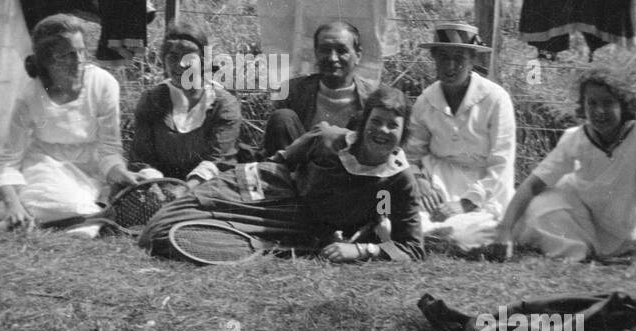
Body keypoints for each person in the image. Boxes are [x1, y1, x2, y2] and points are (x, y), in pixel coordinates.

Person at [140, 86, 425, 263]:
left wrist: (361, 251)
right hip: (270, 190)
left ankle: (222, 237)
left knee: (163, 238)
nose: (382, 131)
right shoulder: (328, 139)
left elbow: (412, 248)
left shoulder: (399, 180)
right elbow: (282, 160)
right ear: (363, 124)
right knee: (159, 227)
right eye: (376, 122)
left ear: (403, 135)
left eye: (392, 126)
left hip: (298, 226)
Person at [488, 68, 636, 267]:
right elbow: (532, 185)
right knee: (539, 208)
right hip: (577, 211)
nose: (599, 111)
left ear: (624, 104)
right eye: (592, 103)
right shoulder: (576, 138)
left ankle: (592, 252)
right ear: (583, 105)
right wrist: (505, 229)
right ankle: (578, 251)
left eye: (608, 103)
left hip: (621, 229)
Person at [0, 14, 147, 233]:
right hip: (45, 169)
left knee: (150, 180)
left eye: (82, 51)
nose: (79, 61)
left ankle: (82, 213)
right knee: (65, 205)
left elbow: (109, 150)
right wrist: (12, 205)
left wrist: (122, 174)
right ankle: (76, 213)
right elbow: (7, 161)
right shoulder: (28, 96)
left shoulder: (103, 84)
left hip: (93, 173)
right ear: (48, 60)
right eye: (67, 55)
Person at [405, 22, 516, 252]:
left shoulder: (496, 99)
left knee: (486, 227)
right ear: (433, 58)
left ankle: (449, 238)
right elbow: (412, 153)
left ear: (472, 59)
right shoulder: (426, 100)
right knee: (393, 215)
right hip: (438, 183)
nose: (450, 66)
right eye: (443, 57)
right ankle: (447, 238)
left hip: (485, 186)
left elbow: (502, 162)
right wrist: (420, 180)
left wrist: (465, 203)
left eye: (459, 58)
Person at [131, 20, 241, 185]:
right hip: (159, 187)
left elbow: (220, 159)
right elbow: (141, 156)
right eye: (173, 56)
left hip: (207, 188)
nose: (180, 65)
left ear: (203, 61)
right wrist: (158, 189)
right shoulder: (151, 100)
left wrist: (185, 192)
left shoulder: (223, 104)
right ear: (164, 58)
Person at [260, 20, 378, 157]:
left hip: (347, 172)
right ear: (316, 53)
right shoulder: (292, 91)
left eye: (341, 51)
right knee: (282, 118)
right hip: (298, 169)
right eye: (325, 50)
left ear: (358, 55)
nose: (333, 58)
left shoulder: (373, 99)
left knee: (363, 121)